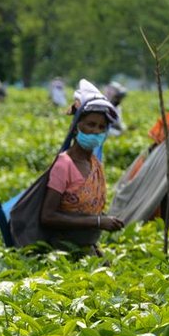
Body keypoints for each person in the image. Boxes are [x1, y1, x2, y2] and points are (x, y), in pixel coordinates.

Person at [40, 91, 124, 255]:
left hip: (88, 246)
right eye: (91, 124)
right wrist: (98, 221)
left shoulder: (95, 164)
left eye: (101, 127)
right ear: (77, 126)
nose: (95, 131)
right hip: (64, 250)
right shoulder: (64, 164)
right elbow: (47, 216)